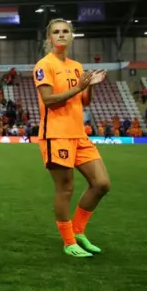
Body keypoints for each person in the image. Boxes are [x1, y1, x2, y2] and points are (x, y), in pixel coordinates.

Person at [33, 18, 110, 258]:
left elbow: (84, 101)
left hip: (79, 135)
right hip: (56, 136)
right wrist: (79, 88)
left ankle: (78, 231)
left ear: (72, 36)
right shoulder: (44, 65)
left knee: (102, 184)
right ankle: (69, 242)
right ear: (49, 39)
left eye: (66, 31)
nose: (61, 35)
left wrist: (90, 85)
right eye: (56, 32)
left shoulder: (77, 66)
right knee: (65, 188)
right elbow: (48, 100)